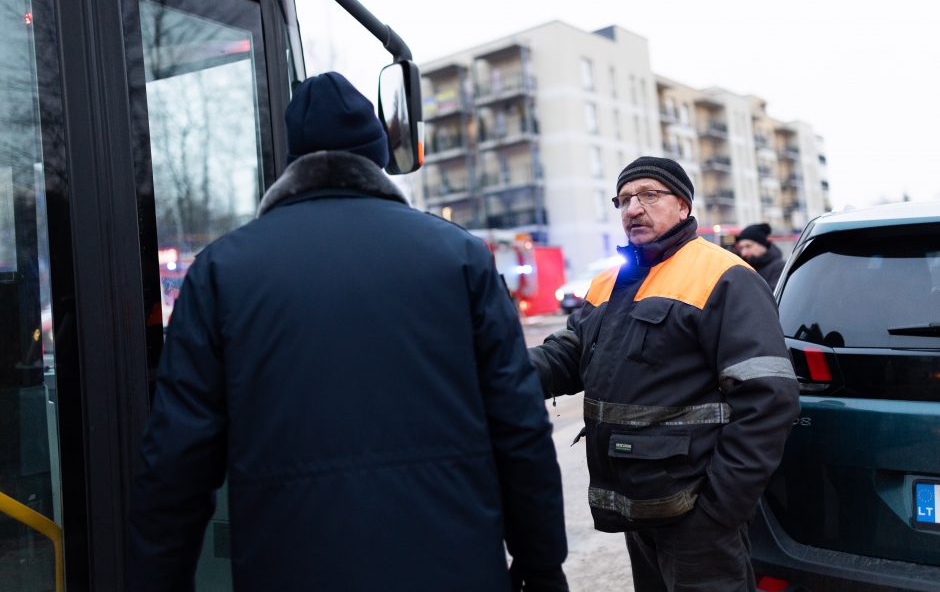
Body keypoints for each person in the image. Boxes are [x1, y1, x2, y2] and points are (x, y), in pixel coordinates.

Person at [128, 72, 568, 592]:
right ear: (378, 159)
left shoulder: (221, 270)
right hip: (455, 567)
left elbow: (176, 462)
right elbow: (519, 428)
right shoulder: (458, 257)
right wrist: (541, 564)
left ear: (294, 163)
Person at [529, 156, 799, 591]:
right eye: (624, 199)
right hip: (641, 504)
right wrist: (498, 371)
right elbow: (570, 353)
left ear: (683, 206)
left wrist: (719, 508)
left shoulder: (723, 276)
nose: (633, 208)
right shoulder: (612, 281)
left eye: (649, 195)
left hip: (697, 514)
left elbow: (769, 398)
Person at [735, 223, 786, 290]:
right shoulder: (742, 267)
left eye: (748, 246)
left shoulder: (779, 267)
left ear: (762, 244)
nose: (744, 253)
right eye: (741, 248)